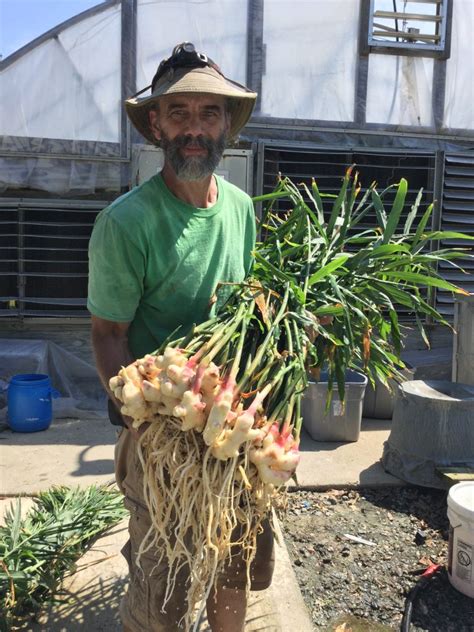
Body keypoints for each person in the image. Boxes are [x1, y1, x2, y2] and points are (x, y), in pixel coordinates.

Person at [87, 42, 274, 632]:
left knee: (237, 562)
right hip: (164, 434)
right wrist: (137, 415)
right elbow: (108, 334)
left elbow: (250, 307)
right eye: (179, 113)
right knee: (162, 583)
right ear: (155, 125)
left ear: (227, 127)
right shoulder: (126, 222)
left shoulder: (242, 209)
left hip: (235, 419)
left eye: (209, 113)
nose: (195, 129)